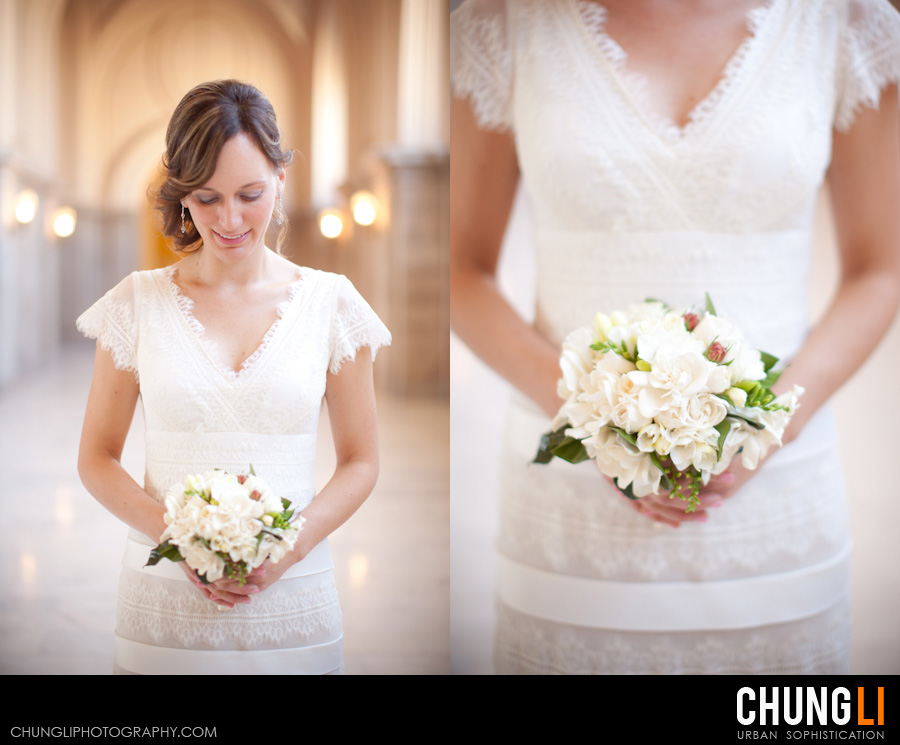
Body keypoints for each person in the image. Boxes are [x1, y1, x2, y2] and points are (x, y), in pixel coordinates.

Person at [450, 0, 900, 673]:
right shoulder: (503, 23)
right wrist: (595, 419)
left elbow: (879, 271)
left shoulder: (847, 22)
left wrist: (769, 426)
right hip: (570, 497)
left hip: (779, 488)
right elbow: (460, 270)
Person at [77, 80, 391, 675]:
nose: (229, 219)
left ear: (280, 177)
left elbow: (361, 461)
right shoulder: (135, 303)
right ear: (182, 195)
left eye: (250, 194)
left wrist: (287, 551)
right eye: (206, 197)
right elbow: (96, 458)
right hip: (164, 603)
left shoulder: (332, 304)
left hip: (296, 598)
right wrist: (180, 539)